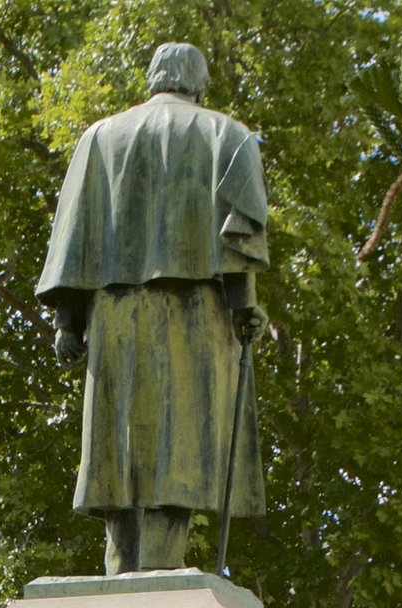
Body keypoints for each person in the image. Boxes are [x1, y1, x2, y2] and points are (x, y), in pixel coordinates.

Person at [39, 42, 269, 575]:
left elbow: (72, 235)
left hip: (113, 314)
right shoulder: (227, 135)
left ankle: (121, 575)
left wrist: (67, 322)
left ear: (152, 78)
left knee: (117, 454)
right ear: (199, 83)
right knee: (178, 450)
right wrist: (245, 308)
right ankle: (160, 577)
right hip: (196, 314)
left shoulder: (100, 138)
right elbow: (240, 242)